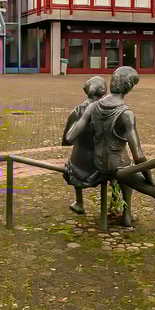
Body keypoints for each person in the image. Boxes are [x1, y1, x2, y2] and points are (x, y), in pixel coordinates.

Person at [65, 66, 155, 231]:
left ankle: (127, 215)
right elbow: (139, 156)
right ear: (129, 87)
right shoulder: (126, 114)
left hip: (99, 165)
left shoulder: (93, 107)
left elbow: (69, 138)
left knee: (127, 173)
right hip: (118, 167)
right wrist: (150, 178)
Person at [61, 75, 107, 214]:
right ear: (104, 91)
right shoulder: (109, 110)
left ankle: (79, 202)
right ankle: (117, 205)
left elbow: (66, 140)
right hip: (102, 161)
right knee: (117, 170)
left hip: (81, 161)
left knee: (73, 163)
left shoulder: (77, 111)